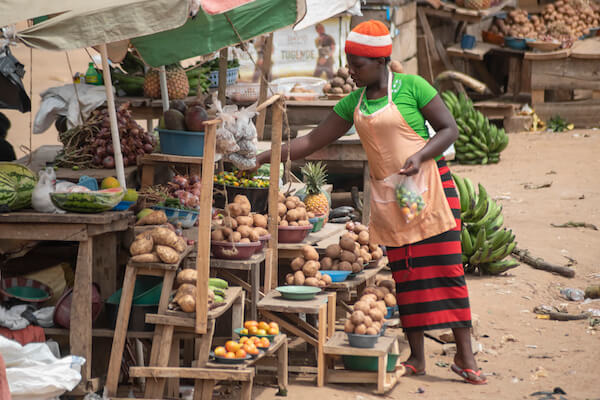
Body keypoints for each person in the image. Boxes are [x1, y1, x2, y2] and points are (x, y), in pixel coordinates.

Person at [256, 20, 486, 384]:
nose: (350, 70)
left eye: (357, 64)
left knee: (447, 270)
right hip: (391, 199)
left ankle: (465, 355)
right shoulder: (354, 102)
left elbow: (448, 129)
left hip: (430, 189)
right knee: (406, 275)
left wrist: (421, 156)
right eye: (349, 63)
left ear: (381, 61)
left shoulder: (412, 86)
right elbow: (312, 140)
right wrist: (265, 156)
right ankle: (417, 358)